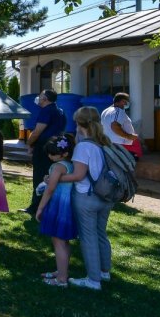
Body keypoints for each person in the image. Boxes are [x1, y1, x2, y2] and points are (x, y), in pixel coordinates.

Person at [59, 106, 116, 289]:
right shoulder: (105, 142)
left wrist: (54, 178)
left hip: (86, 196)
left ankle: (93, 280)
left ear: (78, 123)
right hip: (105, 195)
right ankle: (104, 272)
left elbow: (78, 175)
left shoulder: (84, 146)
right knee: (101, 234)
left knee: (88, 237)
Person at [35, 133, 78, 287]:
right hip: (67, 206)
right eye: (49, 153)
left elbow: (50, 188)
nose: (50, 156)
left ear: (64, 153)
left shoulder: (58, 166)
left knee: (58, 241)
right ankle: (61, 271)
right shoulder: (69, 164)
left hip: (58, 206)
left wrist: (40, 208)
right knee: (63, 241)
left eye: (53, 154)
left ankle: (61, 279)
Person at [25, 89, 65, 215]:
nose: (38, 98)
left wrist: (29, 143)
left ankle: (36, 207)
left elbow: (37, 131)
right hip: (55, 149)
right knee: (51, 176)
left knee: (39, 176)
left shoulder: (46, 111)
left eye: (40, 95)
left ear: (45, 99)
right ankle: (47, 206)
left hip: (43, 149)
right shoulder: (60, 111)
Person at [100, 92, 143, 160]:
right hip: (121, 146)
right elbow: (115, 126)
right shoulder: (118, 111)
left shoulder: (105, 111)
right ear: (122, 101)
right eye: (126, 101)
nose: (127, 104)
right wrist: (129, 136)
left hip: (111, 144)